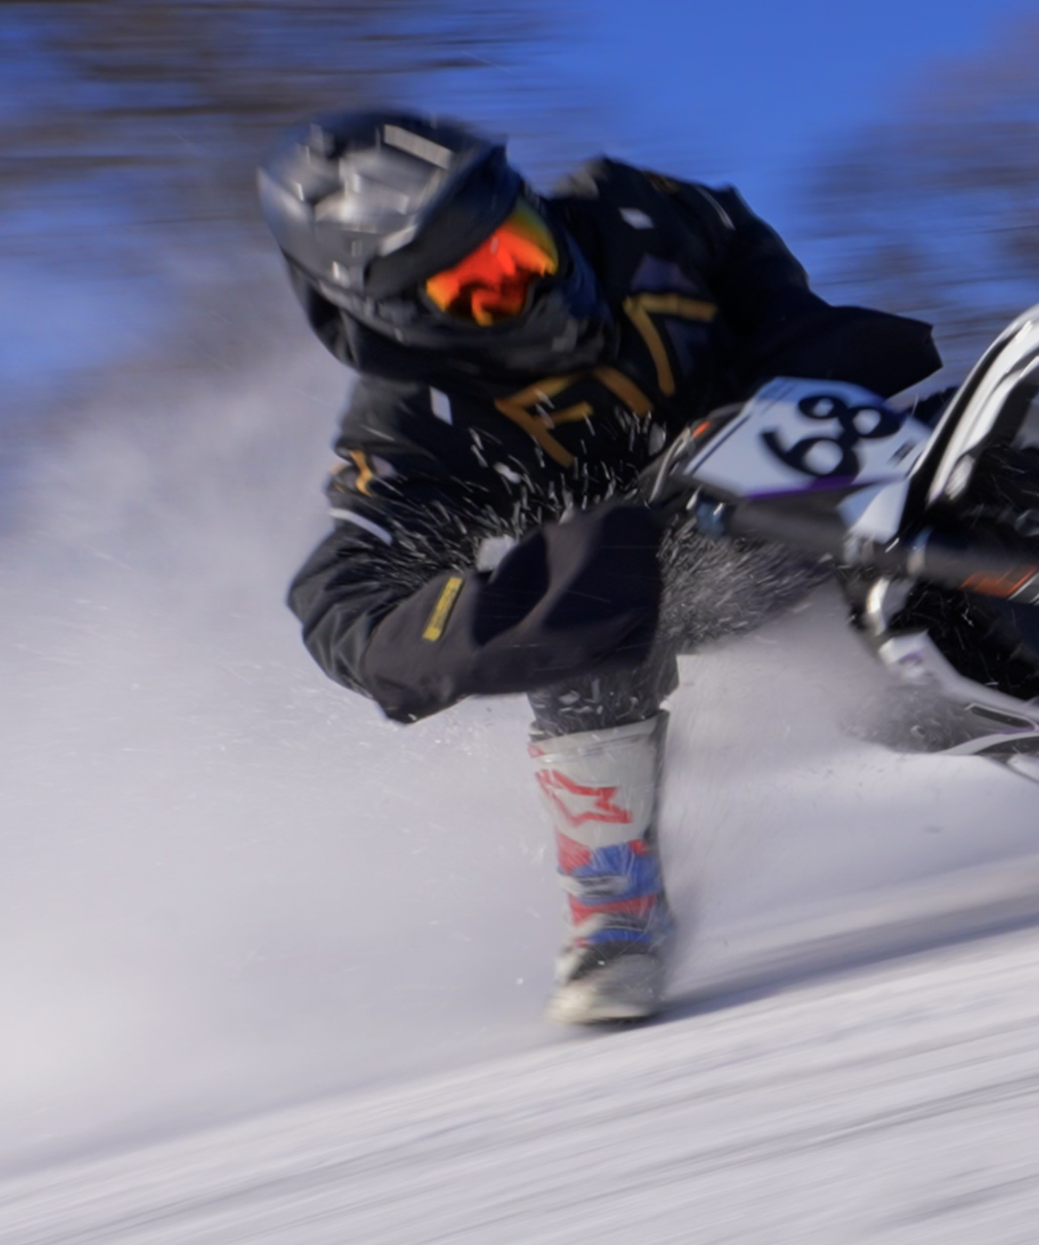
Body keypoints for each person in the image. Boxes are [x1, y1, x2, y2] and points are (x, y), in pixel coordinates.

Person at [263, 110, 945, 1024]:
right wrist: (495, 620)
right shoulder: (414, 420)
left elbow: (757, 267)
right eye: (477, 284)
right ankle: (616, 915)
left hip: (820, 459)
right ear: (399, 314)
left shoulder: (640, 214)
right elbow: (344, 592)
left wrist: (796, 370)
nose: (526, 275)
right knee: (594, 644)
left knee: (995, 424)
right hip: (670, 571)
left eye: (518, 237)